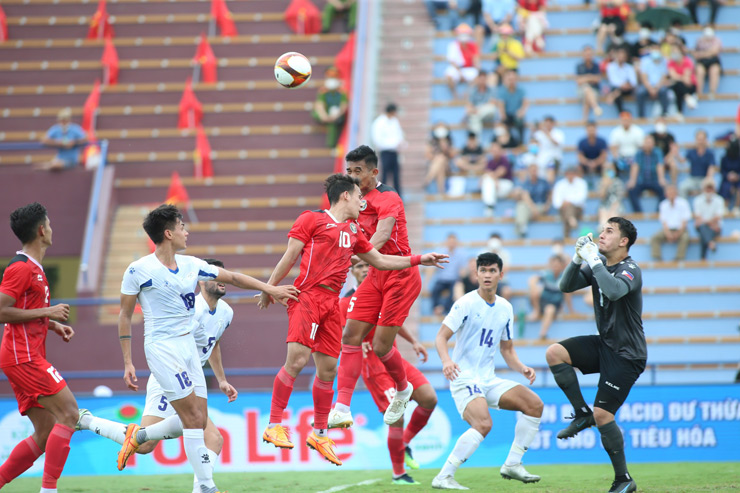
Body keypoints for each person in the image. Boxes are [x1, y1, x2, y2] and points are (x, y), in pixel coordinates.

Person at [259, 173, 447, 465]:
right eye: (359, 195)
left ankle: (320, 433)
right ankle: (273, 425)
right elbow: (289, 256)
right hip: (307, 297)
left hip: (332, 304)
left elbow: (381, 261)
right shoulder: (311, 219)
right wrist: (270, 287)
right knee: (296, 361)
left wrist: (418, 259)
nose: (363, 201)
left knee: (328, 370)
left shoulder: (355, 231)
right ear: (345, 195)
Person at [116, 204, 299, 492]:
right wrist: (128, 361)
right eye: (181, 226)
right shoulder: (138, 270)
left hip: (189, 349)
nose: (186, 231)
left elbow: (234, 278)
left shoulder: (191, 265)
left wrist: (271, 288)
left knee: (198, 420)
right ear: (168, 233)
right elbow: (125, 315)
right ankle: (205, 486)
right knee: (192, 420)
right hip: (162, 350)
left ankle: (137, 437)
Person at [78, 259, 236, 493]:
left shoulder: (226, 312)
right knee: (150, 444)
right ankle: (88, 421)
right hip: (170, 377)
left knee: (213, 438)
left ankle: (202, 488)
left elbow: (214, 343)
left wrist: (221, 379)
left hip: (191, 379)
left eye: (222, 275)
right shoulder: (192, 309)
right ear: (200, 282)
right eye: (214, 276)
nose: (221, 280)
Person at [331, 146, 446, 429]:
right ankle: (342, 407)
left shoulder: (389, 197)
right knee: (351, 335)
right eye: (350, 171)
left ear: (374, 171)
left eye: (358, 171)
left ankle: (403, 389)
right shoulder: (353, 200)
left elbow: (381, 236)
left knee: (382, 346)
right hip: (376, 274)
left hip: (400, 274)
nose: (353, 176)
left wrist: (353, 256)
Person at [432, 252, 543, 489]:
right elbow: (441, 337)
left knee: (534, 405)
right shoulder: (465, 303)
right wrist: (446, 361)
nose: (487, 275)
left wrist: (521, 367)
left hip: (488, 379)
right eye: (483, 270)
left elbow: (507, 350)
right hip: (464, 377)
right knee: (483, 424)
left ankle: (513, 464)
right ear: (476, 274)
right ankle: (444, 476)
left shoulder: (505, 307)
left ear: (500, 275)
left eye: (492, 270)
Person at [551, 219, 644, 493]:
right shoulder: (597, 265)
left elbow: (614, 291)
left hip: (627, 354)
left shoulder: (631, 269)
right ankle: (581, 413)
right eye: (602, 230)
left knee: (603, 416)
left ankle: (624, 479)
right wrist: (576, 258)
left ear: (623, 241)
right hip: (606, 345)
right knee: (555, 353)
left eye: (609, 232)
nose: (601, 235)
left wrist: (594, 261)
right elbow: (565, 287)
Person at [0, 203, 78, 493]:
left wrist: (52, 324)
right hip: (24, 358)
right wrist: (48, 312)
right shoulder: (20, 268)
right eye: (50, 224)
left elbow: (23, 310)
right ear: (41, 230)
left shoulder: (34, 269)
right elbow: (1, 311)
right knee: (70, 413)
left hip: (22, 356)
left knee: (45, 433)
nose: (52, 229)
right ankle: (48, 491)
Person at [338, 260, 437, 485]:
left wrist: (414, 342)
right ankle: (399, 474)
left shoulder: (380, 293)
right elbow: (341, 334)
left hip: (394, 359)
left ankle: (405, 443)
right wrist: (356, 341)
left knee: (429, 398)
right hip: (374, 368)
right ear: (352, 272)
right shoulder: (346, 302)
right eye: (359, 266)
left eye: (367, 265)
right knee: (397, 416)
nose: (364, 269)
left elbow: (392, 321)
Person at [528, 254, 568, 340]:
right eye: (554, 265)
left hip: (554, 303)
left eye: (558, 265)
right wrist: (533, 287)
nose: (555, 267)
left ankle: (543, 333)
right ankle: (536, 310)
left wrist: (569, 308)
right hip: (543, 301)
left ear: (562, 266)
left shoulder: (564, 277)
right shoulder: (546, 274)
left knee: (549, 310)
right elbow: (532, 279)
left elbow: (567, 294)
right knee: (536, 290)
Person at [428, 233, 466, 316]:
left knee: (454, 292)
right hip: (442, 279)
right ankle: (435, 308)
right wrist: (426, 283)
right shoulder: (440, 252)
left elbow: (462, 270)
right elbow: (433, 268)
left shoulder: (461, 254)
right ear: (447, 242)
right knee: (435, 290)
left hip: (453, 279)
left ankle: (444, 309)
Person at [371, 103, 405, 196]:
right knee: (385, 175)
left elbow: (399, 134)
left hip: (394, 152)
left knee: (396, 176)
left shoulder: (394, 121)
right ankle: (382, 195)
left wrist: (400, 143)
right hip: (385, 152)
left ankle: (398, 196)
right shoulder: (379, 122)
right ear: (391, 112)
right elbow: (377, 140)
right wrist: (393, 143)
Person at [650, 185, 691, 261]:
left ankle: (679, 257)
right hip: (668, 229)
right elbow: (664, 222)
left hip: (681, 229)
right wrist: (667, 233)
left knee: (685, 238)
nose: (671, 194)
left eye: (672, 192)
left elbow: (685, 221)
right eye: (669, 192)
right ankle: (657, 258)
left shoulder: (683, 203)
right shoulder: (663, 204)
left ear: (676, 193)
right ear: (666, 194)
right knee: (655, 238)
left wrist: (678, 233)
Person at [627, 134, 666, 213]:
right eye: (646, 142)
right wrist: (632, 180)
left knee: (664, 190)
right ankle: (638, 212)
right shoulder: (639, 153)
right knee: (631, 190)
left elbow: (659, 165)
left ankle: (658, 212)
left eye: (650, 142)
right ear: (643, 143)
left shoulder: (657, 152)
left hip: (654, 180)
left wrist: (661, 179)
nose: (648, 144)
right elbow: (635, 166)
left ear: (653, 144)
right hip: (642, 180)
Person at [312, 67, 348, 148]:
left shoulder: (342, 92)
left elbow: (343, 106)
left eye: (334, 77)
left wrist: (335, 116)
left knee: (333, 124)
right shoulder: (323, 91)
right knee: (316, 113)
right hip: (325, 114)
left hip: (337, 116)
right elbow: (319, 105)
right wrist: (324, 116)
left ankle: (331, 144)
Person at [512, 163, 551, 238]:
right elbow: (525, 196)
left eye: (535, 170)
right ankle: (522, 226)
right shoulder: (526, 183)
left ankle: (520, 225)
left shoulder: (543, 182)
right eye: (532, 171)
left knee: (522, 208)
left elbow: (549, 194)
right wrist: (533, 209)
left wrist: (548, 205)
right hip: (531, 207)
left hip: (541, 205)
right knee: (521, 205)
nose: (534, 172)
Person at [552, 166, 588, 238]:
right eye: (569, 174)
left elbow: (582, 198)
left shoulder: (581, 183)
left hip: (578, 209)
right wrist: (563, 204)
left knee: (568, 210)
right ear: (566, 174)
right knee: (567, 209)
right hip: (563, 208)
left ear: (575, 174)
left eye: (572, 174)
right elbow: (556, 201)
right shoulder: (560, 184)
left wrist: (568, 201)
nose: (570, 176)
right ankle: (572, 220)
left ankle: (566, 236)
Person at [445, 23, 480, 98]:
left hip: (469, 69)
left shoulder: (473, 45)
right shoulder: (453, 45)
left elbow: (476, 59)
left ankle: (467, 94)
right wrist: (460, 73)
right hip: (457, 69)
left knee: (478, 77)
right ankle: (455, 94)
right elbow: (452, 61)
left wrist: (478, 68)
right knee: (448, 76)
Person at [693, 179, 725, 259]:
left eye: (710, 188)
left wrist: (706, 222)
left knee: (703, 232)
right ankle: (711, 243)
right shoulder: (698, 200)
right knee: (703, 228)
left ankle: (703, 257)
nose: (709, 190)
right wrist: (710, 222)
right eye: (707, 188)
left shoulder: (719, 200)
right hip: (707, 225)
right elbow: (698, 216)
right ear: (703, 189)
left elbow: (718, 217)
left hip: (714, 227)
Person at [679, 129, 716, 198]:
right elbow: (683, 161)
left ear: (706, 140)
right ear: (695, 140)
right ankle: (684, 207)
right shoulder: (691, 152)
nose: (700, 141)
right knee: (682, 187)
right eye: (699, 139)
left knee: (708, 188)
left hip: (704, 178)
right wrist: (676, 154)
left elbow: (711, 168)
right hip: (692, 178)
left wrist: (708, 180)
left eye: (702, 139)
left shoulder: (710, 153)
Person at [481, 141, 515, 216]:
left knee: (487, 180)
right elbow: (486, 174)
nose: (494, 152)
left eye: (496, 150)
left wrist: (493, 178)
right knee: (487, 181)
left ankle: (489, 207)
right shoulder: (490, 162)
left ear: (500, 151)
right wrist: (494, 179)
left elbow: (500, 172)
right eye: (493, 151)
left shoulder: (504, 160)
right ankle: (490, 206)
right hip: (495, 186)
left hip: (506, 185)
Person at [609, 111, 645, 179]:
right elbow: (613, 148)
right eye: (624, 120)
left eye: (627, 120)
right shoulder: (616, 132)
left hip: (634, 158)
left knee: (636, 164)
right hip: (621, 158)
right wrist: (617, 158)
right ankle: (611, 181)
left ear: (630, 120)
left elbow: (642, 148)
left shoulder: (637, 131)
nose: (625, 122)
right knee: (609, 166)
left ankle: (633, 182)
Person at [636, 47, 670, 119]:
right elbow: (644, 77)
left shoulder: (664, 61)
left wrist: (656, 88)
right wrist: (650, 89)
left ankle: (664, 114)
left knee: (664, 91)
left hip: (659, 86)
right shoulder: (645, 61)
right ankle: (641, 116)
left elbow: (664, 77)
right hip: (647, 86)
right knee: (639, 92)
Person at [497, 70, 528, 142]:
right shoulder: (502, 91)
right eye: (510, 79)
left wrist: (521, 112)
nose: (512, 81)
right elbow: (501, 106)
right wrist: (503, 116)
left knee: (520, 122)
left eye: (513, 79)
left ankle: (521, 142)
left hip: (517, 115)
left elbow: (525, 103)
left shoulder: (521, 90)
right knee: (501, 125)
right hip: (507, 115)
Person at [667, 47, 698, 118]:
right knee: (678, 86)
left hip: (690, 85)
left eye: (676, 52)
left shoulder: (687, 61)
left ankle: (679, 111)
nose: (674, 54)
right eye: (673, 52)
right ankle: (687, 97)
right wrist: (680, 78)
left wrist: (677, 78)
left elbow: (687, 79)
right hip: (678, 86)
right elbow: (673, 76)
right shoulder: (671, 62)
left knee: (678, 86)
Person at [425, 123, 456, 194]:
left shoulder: (449, 141)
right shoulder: (431, 141)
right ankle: (441, 191)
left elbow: (452, 155)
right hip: (435, 165)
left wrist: (445, 148)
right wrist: (436, 158)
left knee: (441, 158)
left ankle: (428, 179)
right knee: (440, 164)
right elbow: (427, 155)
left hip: (447, 166)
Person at [465, 71, 498, 137]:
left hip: (488, 113)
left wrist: (477, 109)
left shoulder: (492, 89)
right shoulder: (473, 90)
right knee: (475, 117)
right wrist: (474, 110)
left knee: (491, 108)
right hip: (478, 113)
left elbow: (493, 103)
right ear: (478, 79)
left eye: (484, 79)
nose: (482, 81)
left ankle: (475, 142)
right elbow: (469, 106)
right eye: (481, 79)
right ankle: (477, 142)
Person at [605, 48, 637, 114]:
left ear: (626, 58)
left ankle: (612, 96)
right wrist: (622, 85)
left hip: (628, 88)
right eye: (619, 56)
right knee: (617, 91)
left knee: (618, 91)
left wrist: (627, 85)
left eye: (623, 57)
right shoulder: (611, 66)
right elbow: (613, 81)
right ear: (616, 56)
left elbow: (634, 82)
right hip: (618, 88)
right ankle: (621, 112)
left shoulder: (629, 67)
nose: (621, 58)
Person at [533, 115, 565, 182]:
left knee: (550, 165)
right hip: (540, 158)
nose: (548, 124)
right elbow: (534, 148)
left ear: (553, 123)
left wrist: (547, 134)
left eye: (550, 122)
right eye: (546, 122)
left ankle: (549, 187)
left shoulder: (558, 133)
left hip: (554, 158)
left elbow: (557, 143)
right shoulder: (538, 134)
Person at [575, 45, 603, 120]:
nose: (588, 56)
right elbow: (579, 81)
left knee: (587, 96)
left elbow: (597, 79)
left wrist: (586, 78)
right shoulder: (579, 66)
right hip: (582, 90)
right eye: (586, 54)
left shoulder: (596, 65)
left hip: (594, 91)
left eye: (590, 54)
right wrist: (590, 77)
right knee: (587, 89)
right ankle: (596, 107)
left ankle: (584, 119)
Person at [693, 26, 722, 97]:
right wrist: (708, 53)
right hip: (702, 62)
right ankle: (699, 92)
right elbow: (696, 54)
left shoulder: (717, 40)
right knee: (699, 71)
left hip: (713, 61)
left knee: (714, 70)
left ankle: (712, 91)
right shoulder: (699, 40)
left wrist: (702, 54)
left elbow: (714, 52)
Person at [651, 117, 680, 185]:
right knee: (659, 164)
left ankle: (673, 184)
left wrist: (667, 158)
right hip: (655, 159)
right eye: (659, 123)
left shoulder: (670, 136)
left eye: (662, 123)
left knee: (673, 164)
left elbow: (673, 149)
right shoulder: (651, 136)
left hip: (666, 158)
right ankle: (660, 184)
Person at [719, 138, 740, 215]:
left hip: (738, 179)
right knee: (726, 187)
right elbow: (722, 171)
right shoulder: (724, 158)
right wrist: (728, 175)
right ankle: (725, 207)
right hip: (727, 179)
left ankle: (737, 207)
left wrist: (737, 176)